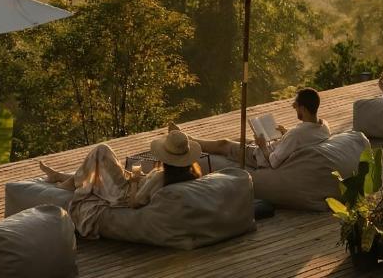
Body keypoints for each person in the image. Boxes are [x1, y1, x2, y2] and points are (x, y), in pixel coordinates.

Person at [37, 130, 203, 238]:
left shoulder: (162, 178)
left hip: (123, 193)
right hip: (135, 182)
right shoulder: (189, 174)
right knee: (100, 163)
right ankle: (61, 177)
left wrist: (134, 182)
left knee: (102, 151)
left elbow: (134, 202)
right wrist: (140, 178)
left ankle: (66, 182)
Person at [174, 87, 330, 169]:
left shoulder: (297, 135)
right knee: (237, 140)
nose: (293, 107)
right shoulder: (323, 126)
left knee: (224, 144)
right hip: (275, 145)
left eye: (295, 105)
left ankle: (187, 141)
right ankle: (191, 140)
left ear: (303, 108)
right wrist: (286, 133)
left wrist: (262, 146)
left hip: (260, 157)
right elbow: (303, 138)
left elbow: (274, 162)